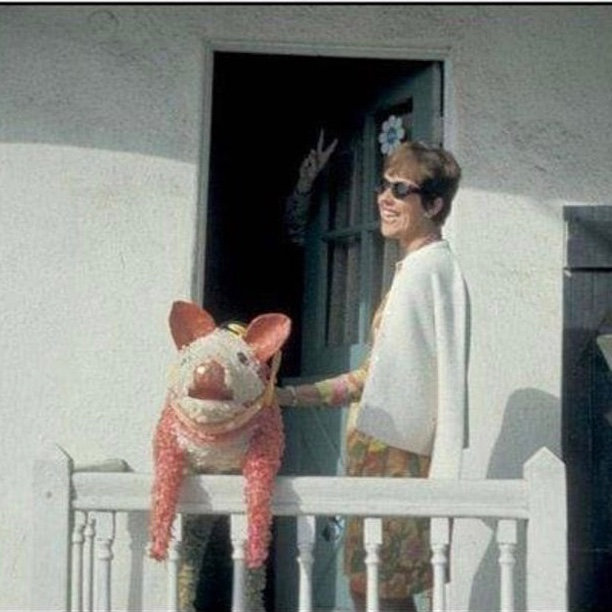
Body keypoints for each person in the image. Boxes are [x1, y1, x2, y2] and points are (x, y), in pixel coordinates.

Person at [276, 137, 470, 612]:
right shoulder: (417, 269)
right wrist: (286, 396)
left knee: (381, 593)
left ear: (434, 205)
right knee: (372, 591)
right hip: (380, 459)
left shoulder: (428, 271)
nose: (385, 198)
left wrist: (441, 481)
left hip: (397, 462)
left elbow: (432, 388)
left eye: (400, 190)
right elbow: (373, 376)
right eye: (384, 186)